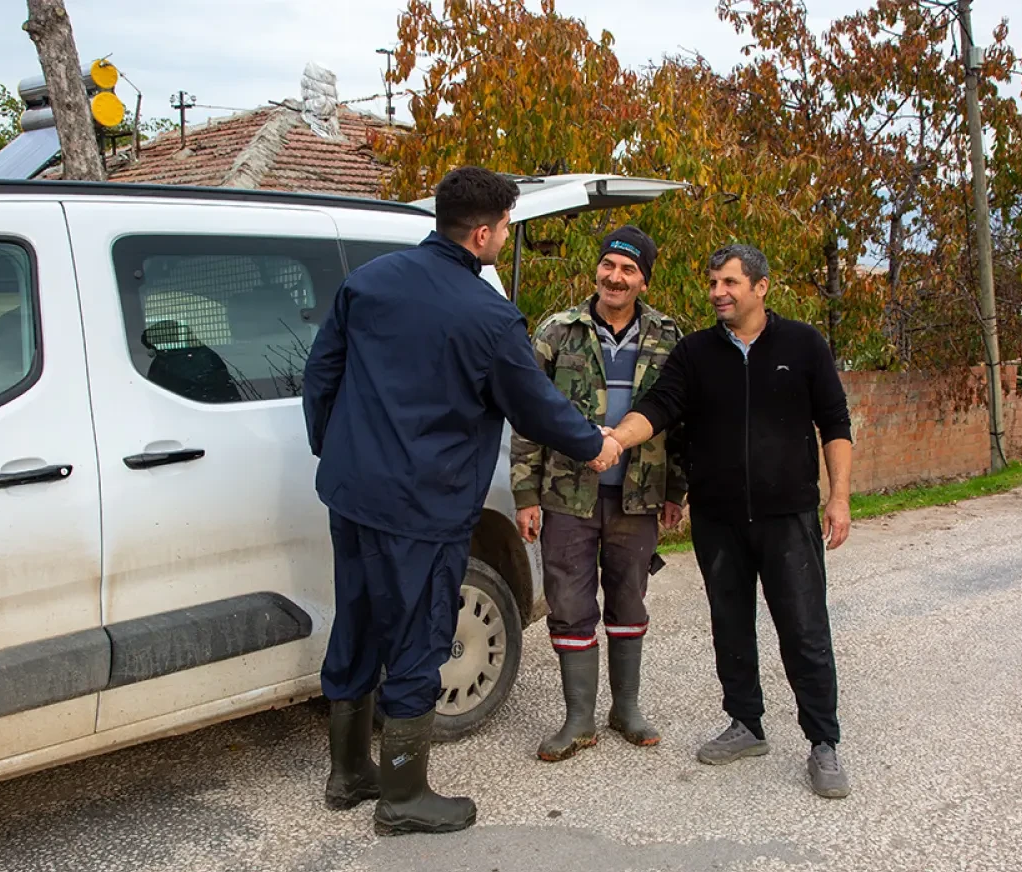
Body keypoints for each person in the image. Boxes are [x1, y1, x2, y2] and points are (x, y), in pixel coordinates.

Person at [303, 166, 621, 835]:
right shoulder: (489, 316)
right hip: (424, 506)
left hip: (352, 494)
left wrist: (334, 448)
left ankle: (348, 773)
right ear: (483, 233)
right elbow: (534, 405)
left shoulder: (368, 282)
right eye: (505, 227)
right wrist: (593, 443)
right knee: (419, 634)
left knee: (357, 620)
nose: (505, 237)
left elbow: (322, 371)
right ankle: (402, 797)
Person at [593, 244, 855, 799]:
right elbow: (658, 406)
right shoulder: (695, 352)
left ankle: (823, 742)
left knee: (804, 628)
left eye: (730, 282)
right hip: (718, 519)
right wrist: (616, 439)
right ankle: (745, 724)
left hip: (788, 517)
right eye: (713, 282)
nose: (718, 293)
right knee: (729, 625)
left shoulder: (803, 344)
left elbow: (835, 422)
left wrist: (839, 498)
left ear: (760, 287)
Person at [510, 225, 687, 762]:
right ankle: (579, 719)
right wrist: (525, 494)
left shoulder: (668, 336)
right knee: (569, 601)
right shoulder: (557, 332)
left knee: (629, 598)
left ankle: (625, 708)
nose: (616, 277)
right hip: (567, 494)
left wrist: (677, 489)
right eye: (609, 265)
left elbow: (682, 419)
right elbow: (527, 415)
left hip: (638, 495)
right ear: (597, 270)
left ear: (643, 280)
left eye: (629, 269)